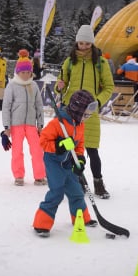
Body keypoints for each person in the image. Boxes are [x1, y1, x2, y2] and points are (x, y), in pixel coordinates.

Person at [55, 24, 114, 199]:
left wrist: (97, 102)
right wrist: (60, 86)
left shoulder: (100, 63)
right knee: (72, 149)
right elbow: (61, 81)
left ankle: (98, 182)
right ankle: (76, 181)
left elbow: (109, 87)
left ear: (92, 44)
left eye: (87, 44)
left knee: (92, 149)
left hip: (89, 112)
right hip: (70, 111)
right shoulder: (69, 61)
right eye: (81, 43)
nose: (83, 46)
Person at [32, 90, 99, 237]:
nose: (87, 118)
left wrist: (80, 159)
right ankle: (41, 224)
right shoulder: (57, 124)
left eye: (89, 115)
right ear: (77, 110)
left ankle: (81, 218)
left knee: (76, 192)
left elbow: (80, 144)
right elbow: (43, 142)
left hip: (69, 163)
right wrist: (59, 145)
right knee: (57, 193)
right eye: (85, 114)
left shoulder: (80, 124)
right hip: (54, 162)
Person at [2, 55, 46, 186]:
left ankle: (39, 176)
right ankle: (19, 176)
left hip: (32, 125)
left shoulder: (34, 86)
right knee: (17, 151)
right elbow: (6, 107)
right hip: (16, 125)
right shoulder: (12, 86)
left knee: (37, 151)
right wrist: (7, 127)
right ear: (17, 72)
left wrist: (40, 124)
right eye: (23, 72)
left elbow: (39, 105)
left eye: (28, 72)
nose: (26, 75)